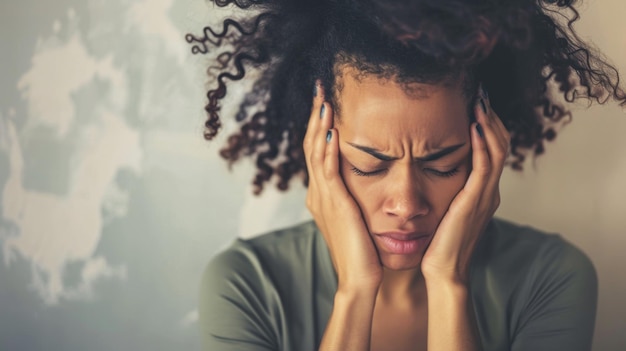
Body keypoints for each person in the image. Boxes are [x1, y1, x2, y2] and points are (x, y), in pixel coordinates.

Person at [187, 0, 626, 350]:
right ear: (319, 146)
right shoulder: (245, 286)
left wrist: (449, 285)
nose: (406, 204)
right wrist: (356, 293)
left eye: (443, 164)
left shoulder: (550, 280)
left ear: (487, 148)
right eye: (369, 165)